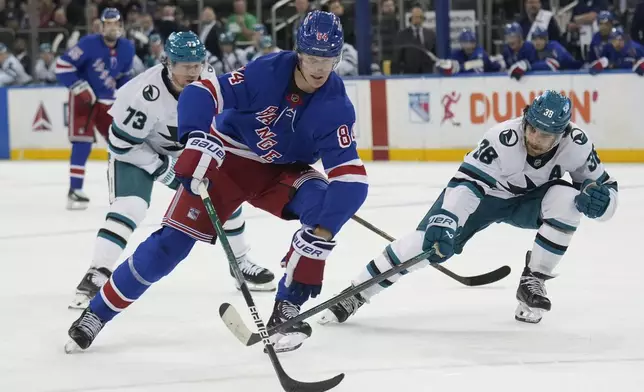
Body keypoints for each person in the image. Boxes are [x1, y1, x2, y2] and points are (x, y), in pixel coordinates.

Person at [65, 10, 368, 354]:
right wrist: (196, 138)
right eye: (312, 58)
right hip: (229, 160)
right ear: (299, 53)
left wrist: (324, 232)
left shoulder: (336, 106)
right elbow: (202, 92)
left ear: (339, 57)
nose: (318, 68)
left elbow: (351, 179)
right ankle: (96, 314)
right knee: (170, 245)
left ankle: (287, 308)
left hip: (283, 172)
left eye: (327, 60)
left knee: (322, 206)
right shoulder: (267, 72)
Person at [319, 91, 618, 326]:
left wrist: (601, 204)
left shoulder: (578, 144)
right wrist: (447, 220)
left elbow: (606, 190)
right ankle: (356, 293)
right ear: (525, 120)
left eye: (547, 135)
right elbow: (467, 186)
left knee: (567, 201)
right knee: (425, 244)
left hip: (530, 202)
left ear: (563, 134)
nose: (537, 140)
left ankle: (533, 281)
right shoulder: (501, 139)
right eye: (534, 130)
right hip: (482, 198)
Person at [67, 31, 276, 310]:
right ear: (168, 62)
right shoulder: (143, 93)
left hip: (181, 152)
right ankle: (97, 272)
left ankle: (240, 264)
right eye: (184, 65)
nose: (192, 72)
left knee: (227, 193)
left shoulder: (208, 77)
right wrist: (160, 169)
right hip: (136, 152)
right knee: (131, 207)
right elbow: (121, 144)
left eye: (197, 64)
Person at [55, 8, 135, 210]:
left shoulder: (127, 48)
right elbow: (62, 66)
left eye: (115, 23)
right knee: (82, 143)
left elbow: (124, 75)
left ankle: (122, 188)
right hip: (85, 101)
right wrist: (80, 87)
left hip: (108, 103)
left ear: (121, 25)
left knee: (120, 143)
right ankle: (75, 190)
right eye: (107, 24)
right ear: (101, 26)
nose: (111, 27)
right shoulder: (88, 44)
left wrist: (125, 92)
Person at [438, 28, 503, 75]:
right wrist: (443, 65)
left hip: (484, 82)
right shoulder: (457, 54)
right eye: (465, 42)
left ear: (475, 43)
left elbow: (473, 69)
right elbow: (447, 67)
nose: (468, 45)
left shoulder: (480, 53)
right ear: (461, 43)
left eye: (471, 42)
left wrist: (458, 67)